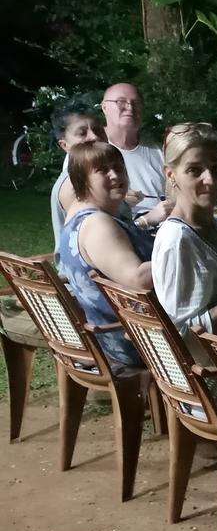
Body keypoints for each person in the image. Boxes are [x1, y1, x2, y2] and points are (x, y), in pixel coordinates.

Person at [152, 124, 217, 369]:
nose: (209, 179)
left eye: (216, 168)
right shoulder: (177, 241)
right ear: (171, 175)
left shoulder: (215, 225)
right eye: (195, 170)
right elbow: (182, 336)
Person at [56, 142, 155, 368]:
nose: (115, 174)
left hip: (115, 335)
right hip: (136, 342)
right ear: (81, 179)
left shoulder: (77, 212)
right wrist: (181, 254)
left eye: (119, 167)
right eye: (102, 170)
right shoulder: (97, 224)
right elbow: (138, 280)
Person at [99, 82, 169, 219]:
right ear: (104, 107)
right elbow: (79, 201)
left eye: (136, 103)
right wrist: (118, 201)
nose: (130, 107)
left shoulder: (156, 149)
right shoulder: (89, 149)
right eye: (121, 102)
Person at [48, 95, 111, 245]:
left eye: (97, 130)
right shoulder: (74, 186)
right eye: (82, 133)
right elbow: (98, 245)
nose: (94, 136)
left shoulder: (97, 174)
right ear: (64, 145)